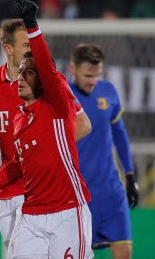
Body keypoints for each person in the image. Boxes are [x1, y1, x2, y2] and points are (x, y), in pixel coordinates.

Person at [0, 7, 91, 254]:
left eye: (32, 44)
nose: (31, 49)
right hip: (18, 197)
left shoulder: (54, 96)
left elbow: (82, 123)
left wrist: (51, 151)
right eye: (26, 44)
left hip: (59, 199)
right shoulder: (12, 110)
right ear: (8, 49)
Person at [68, 43, 139, 259]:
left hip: (110, 189)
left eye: (97, 75)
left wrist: (129, 175)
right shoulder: (62, 96)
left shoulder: (108, 91)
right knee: (80, 253)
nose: (93, 81)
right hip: (77, 192)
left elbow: (120, 133)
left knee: (124, 251)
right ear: (73, 69)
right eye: (88, 75)